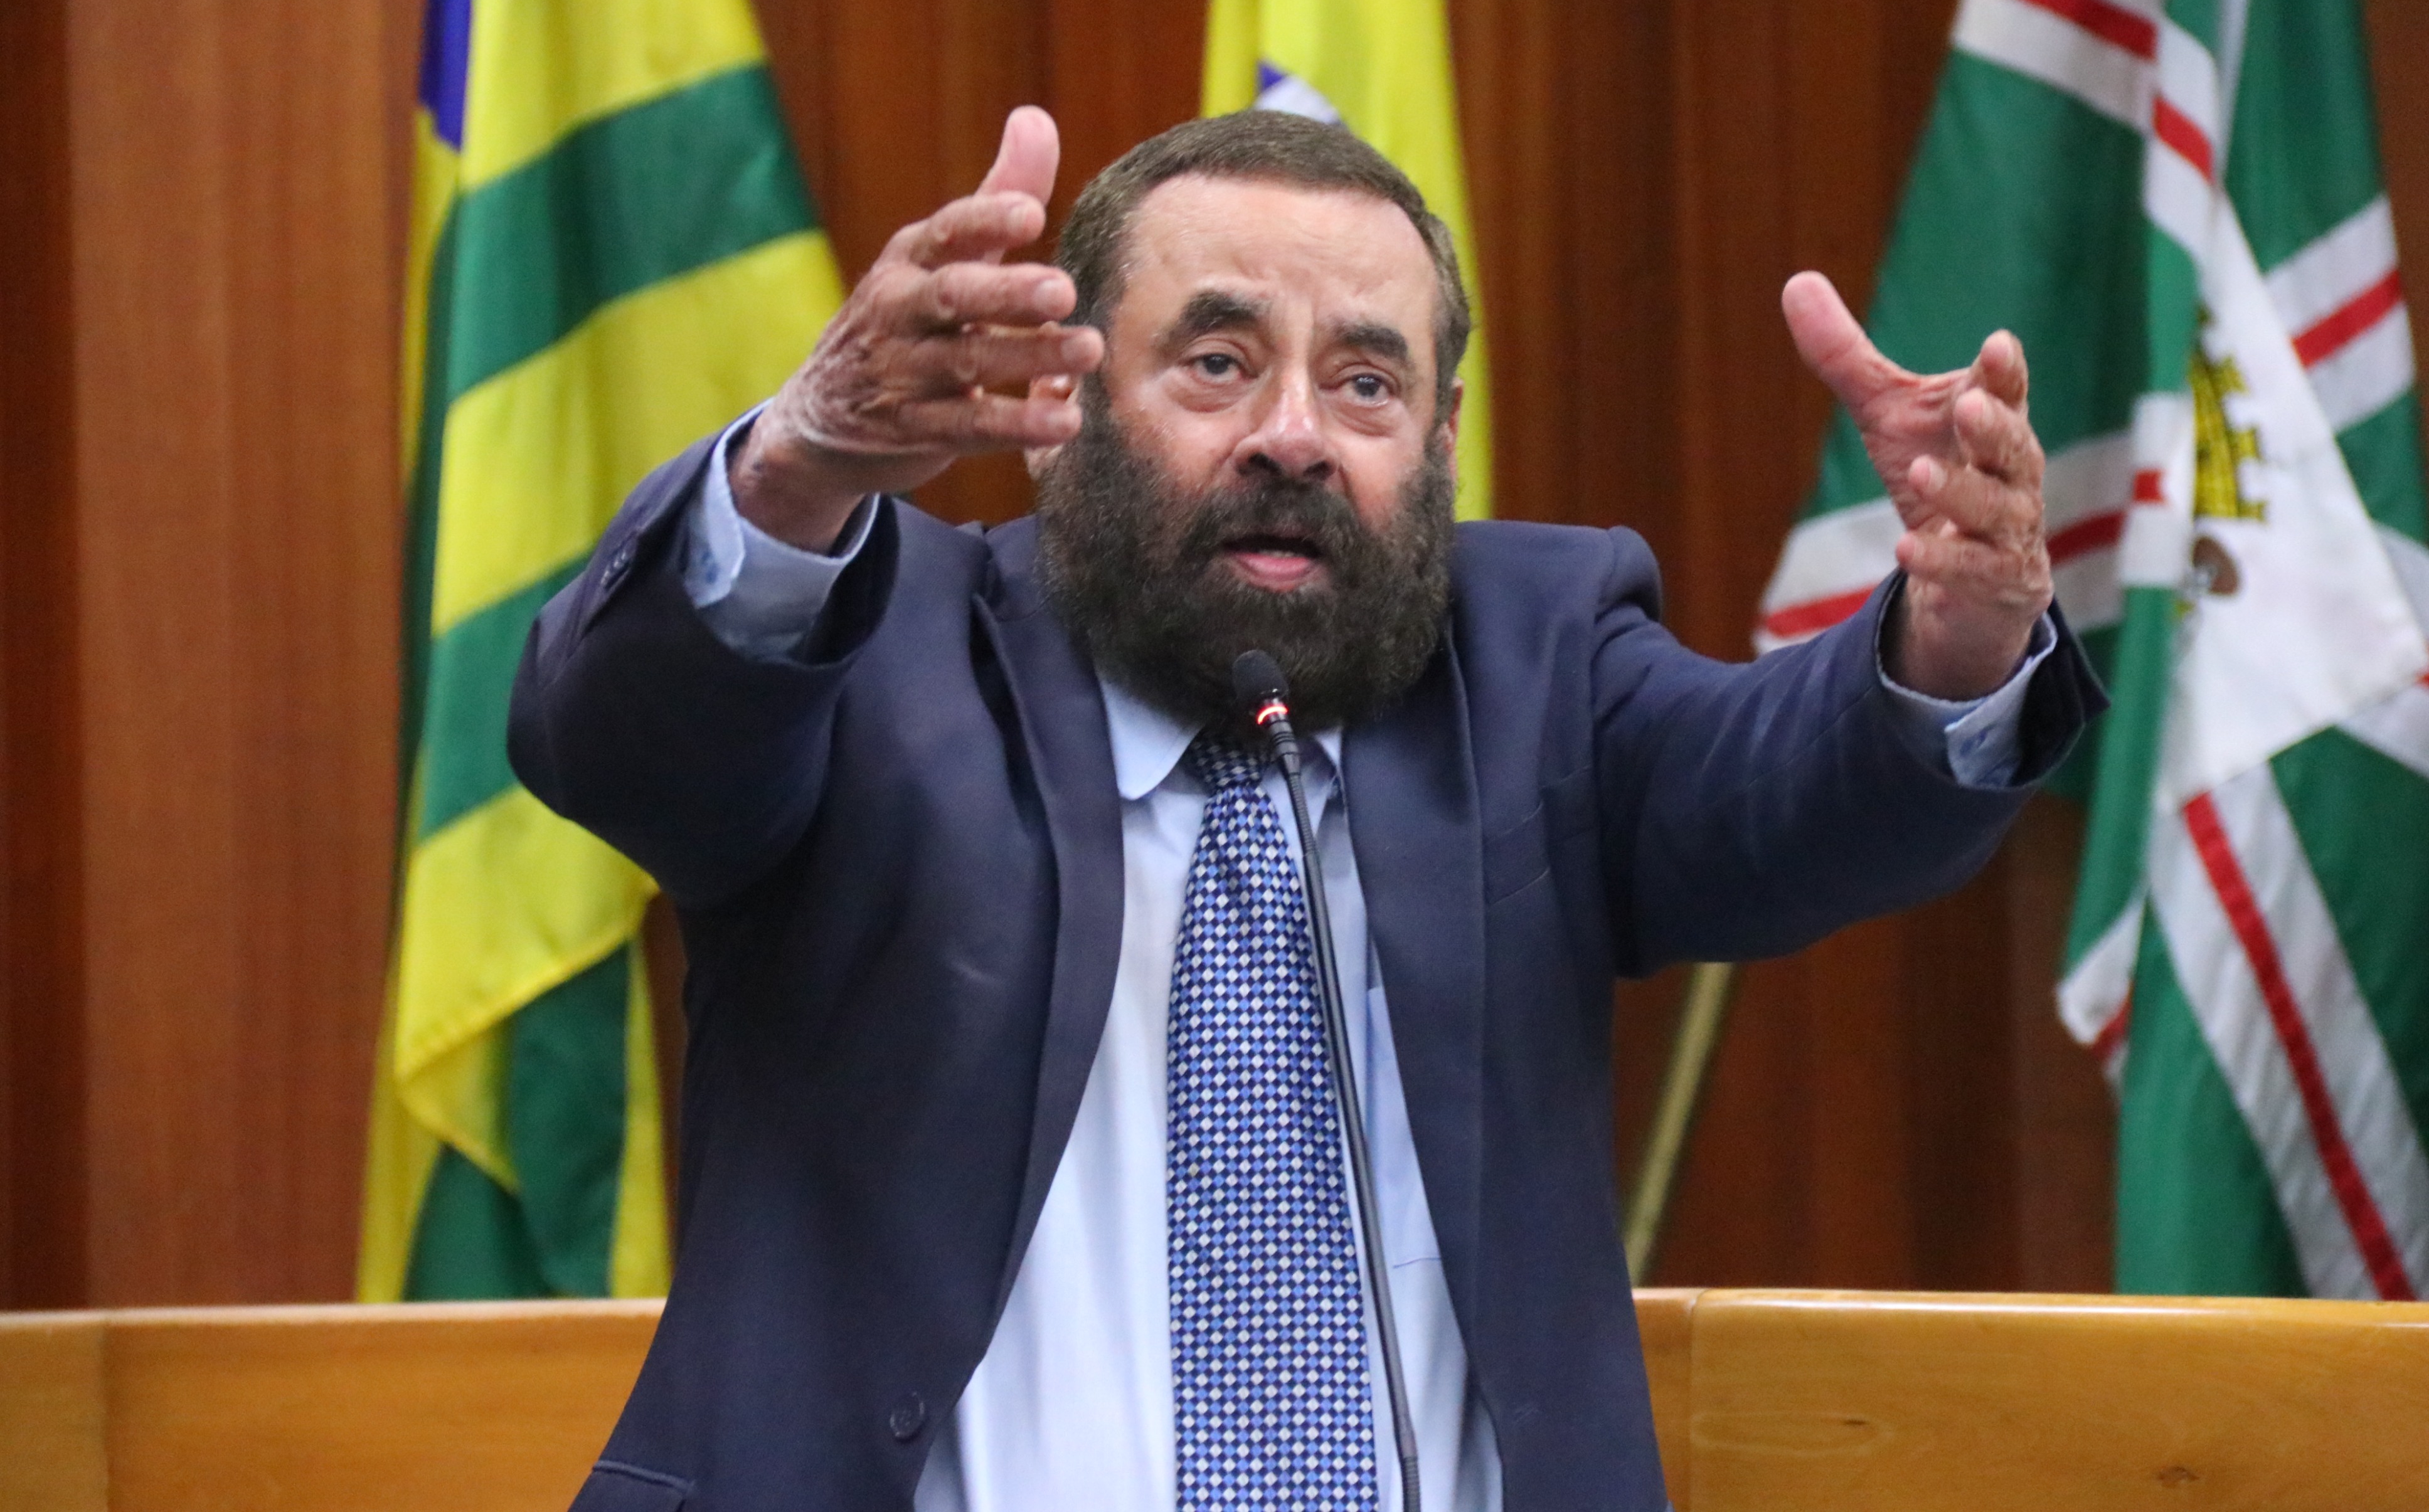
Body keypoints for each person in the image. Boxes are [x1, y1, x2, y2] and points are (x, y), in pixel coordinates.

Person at [511, 106, 2101, 1512]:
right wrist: (800, 466)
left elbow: (1786, 787)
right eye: (1217, 363)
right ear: (1065, 399)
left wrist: (1957, 638)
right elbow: (617, 742)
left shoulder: (1531, 663)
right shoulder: (873, 651)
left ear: (1442, 438)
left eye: (1364, 381)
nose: (1292, 436)